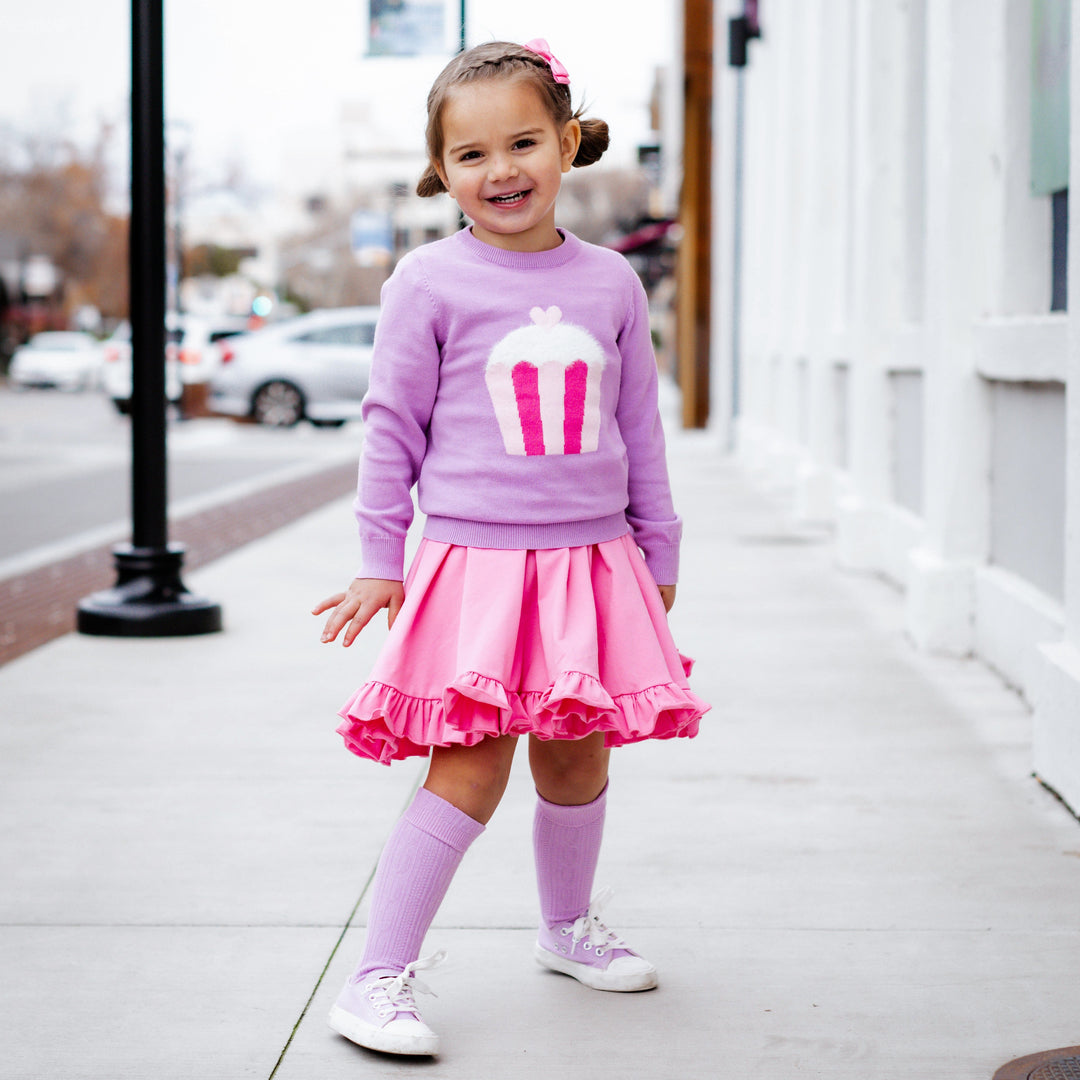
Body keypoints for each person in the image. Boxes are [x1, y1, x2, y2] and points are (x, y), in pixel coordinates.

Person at [313, 38, 709, 1058]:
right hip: (477, 568)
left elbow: (639, 427)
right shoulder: (426, 281)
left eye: (525, 142)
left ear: (568, 143)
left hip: (592, 559)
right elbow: (389, 425)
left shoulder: (612, 283)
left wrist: (657, 550)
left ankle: (567, 927)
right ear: (441, 171)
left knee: (577, 756)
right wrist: (378, 558)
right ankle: (375, 978)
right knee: (470, 764)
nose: (502, 171)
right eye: (473, 154)